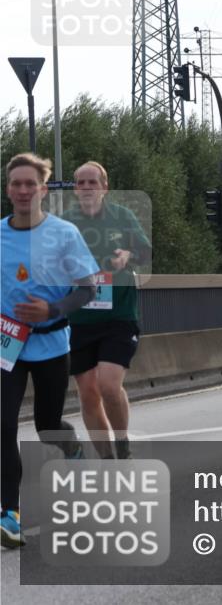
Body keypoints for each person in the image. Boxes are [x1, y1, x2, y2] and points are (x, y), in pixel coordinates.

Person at [2, 153, 99, 548]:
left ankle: (72, 447)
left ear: (43, 189)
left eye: (30, 184)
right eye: (16, 184)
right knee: (3, 427)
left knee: (47, 427)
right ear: (9, 190)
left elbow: (88, 288)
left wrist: (51, 309)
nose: (23, 190)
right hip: (7, 345)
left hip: (51, 344)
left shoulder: (64, 234)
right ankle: (10, 511)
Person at [63, 161, 152, 460]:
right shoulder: (65, 223)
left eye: (93, 182)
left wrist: (128, 254)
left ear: (105, 187)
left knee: (109, 386)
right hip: (80, 319)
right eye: (81, 183)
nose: (87, 188)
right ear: (75, 188)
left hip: (118, 316)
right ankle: (108, 460)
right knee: (88, 393)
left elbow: (145, 251)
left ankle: (122, 440)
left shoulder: (122, 217)